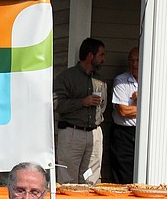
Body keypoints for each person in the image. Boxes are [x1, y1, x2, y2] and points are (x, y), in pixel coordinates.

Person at [53, 37, 107, 184]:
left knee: (90, 178)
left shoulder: (100, 80)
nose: (103, 59)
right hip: (72, 133)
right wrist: (82, 102)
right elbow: (57, 104)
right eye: (101, 55)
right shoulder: (66, 77)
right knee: (68, 178)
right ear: (90, 56)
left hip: (95, 133)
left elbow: (103, 107)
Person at [110, 47, 139, 184]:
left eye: (138, 60)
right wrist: (144, 106)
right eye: (131, 60)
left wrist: (140, 101)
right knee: (123, 174)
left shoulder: (153, 81)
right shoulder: (121, 81)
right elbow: (123, 111)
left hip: (143, 134)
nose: (134, 64)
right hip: (123, 135)